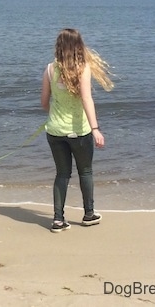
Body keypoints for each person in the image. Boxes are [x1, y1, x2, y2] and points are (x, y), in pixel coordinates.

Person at [41, 28, 114, 233]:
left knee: (62, 174)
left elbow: (44, 102)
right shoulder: (83, 69)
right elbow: (86, 99)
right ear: (78, 46)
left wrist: (55, 115)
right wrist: (95, 129)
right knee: (85, 171)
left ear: (59, 46)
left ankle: (57, 220)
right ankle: (89, 214)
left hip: (54, 132)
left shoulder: (49, 69)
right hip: (79, 132)